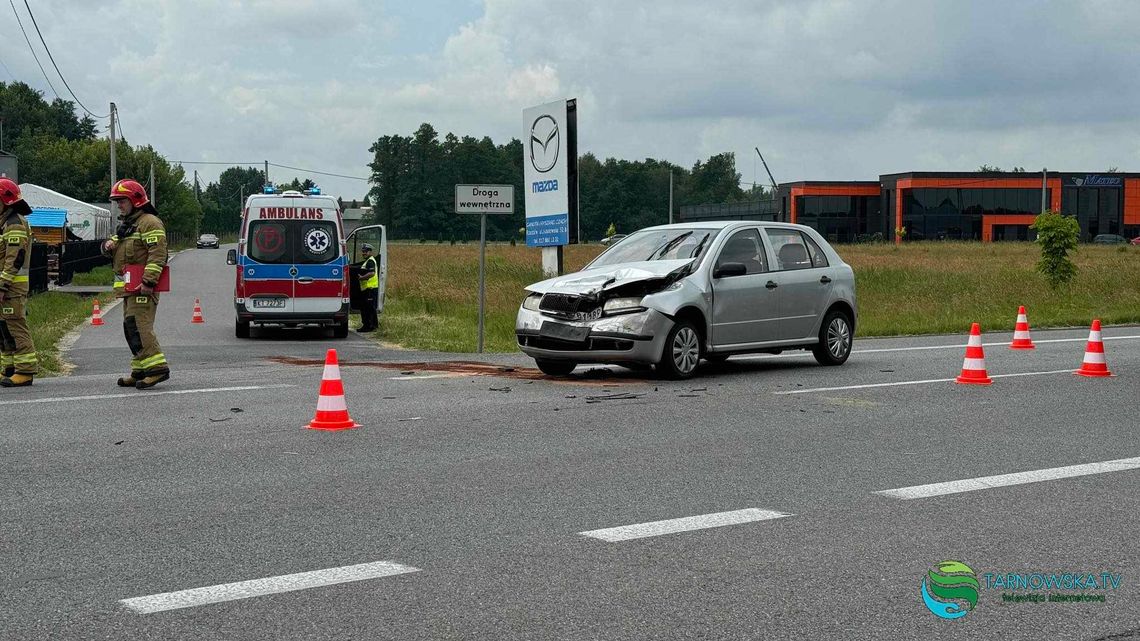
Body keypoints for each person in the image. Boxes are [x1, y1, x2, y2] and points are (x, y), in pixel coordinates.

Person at [102, 179, 170, 389]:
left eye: (122, 201)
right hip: (129, 289)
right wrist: (108, 246)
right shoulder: (127, 225)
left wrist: (149, 281)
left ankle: (157, 369)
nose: (119, 205)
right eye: (117, 201)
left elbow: (157, 254)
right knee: (130, 327)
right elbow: (112, 250)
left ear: (135, 200)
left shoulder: (150, 222)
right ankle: (140, 370)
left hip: (142, 287)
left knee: (140, 326)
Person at [0, 178, 38, 387]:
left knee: (15, 326)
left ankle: (25, 371)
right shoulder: (5, 223)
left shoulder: (14, 223)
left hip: (11, 288)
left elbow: (14, 258)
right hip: (6, 287)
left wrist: (2, 285)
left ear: (5, 201)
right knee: (3, 329)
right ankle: (10, 368)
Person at [357, 243, 379, 333]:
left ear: (370, 252)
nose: (363, 253)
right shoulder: (368, 261)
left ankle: (369, 326)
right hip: (367, 289)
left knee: (368, 309)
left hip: (370, 288)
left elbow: (371, 273)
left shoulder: (370, 261)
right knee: (369, 308)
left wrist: (361, 278)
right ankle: (372, 325)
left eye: (365, 252)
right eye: (363, 252)